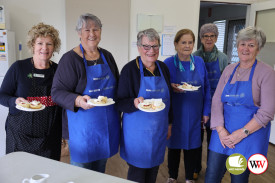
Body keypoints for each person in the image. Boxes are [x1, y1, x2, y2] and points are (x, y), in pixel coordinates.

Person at [51, 13, 120, 173]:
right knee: (81, 174)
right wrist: (78, 100)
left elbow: (117, 87)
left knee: (99, 171)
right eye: (87, 29)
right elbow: (56, 92)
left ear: (101, 32)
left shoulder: (107, 56)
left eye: (96, 29)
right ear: (78, 33)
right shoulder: (70, 59)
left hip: (106, 127)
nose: (92, 34)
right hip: (82, 130)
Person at [205, 26, 275, 183]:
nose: (246, 49)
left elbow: (267, 112)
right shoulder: (229, 69)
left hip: (247, 136)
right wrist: (221, 129)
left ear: (258, 48)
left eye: (251, 45)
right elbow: (217, 100)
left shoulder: (267, 73)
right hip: (222, 133)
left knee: (238, 179)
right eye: (242, 44)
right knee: (211, 177)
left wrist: (241, 133)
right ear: (237, 46)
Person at [117, 28, 173, 183]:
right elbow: (120, 102)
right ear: (139, 47)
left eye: (155, 46)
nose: (151, 51)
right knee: (138, 174)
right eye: (146, 46)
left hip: (158, 130)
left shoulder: (164, 69)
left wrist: (169, 124)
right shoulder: (129, 70)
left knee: (154, 169)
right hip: (137, 134)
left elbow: (170, 101)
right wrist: (133, 102)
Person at [0, 22, 62, 160]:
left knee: (49, 174)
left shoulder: (59, 70)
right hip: (19, 136)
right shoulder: (19, 68)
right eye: (40, 43)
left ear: (54, 47)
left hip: (49, 137)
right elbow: (2, 95)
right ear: (33, 45)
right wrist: (14, 101)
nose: (44, 48)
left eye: (49, 44)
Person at [164, 29, 211, 183]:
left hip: (195, 113)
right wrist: (170, 86)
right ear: (176, 44)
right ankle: (172, 176)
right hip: (175, 113)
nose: (187, 45)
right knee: (174, 147)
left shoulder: (198, 62)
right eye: (183, 42)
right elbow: (162, 88)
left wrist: (206, 111)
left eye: (190, 42)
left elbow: (207, 88)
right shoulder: (168, 63)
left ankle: (190, 178)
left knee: (193, 146)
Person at [193, 23, 229, 178]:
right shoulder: (194, 56)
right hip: (197, 102)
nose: (209, 39)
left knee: (213, 139)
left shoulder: (223, 58)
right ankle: (195, 168)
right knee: (197, 139)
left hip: (216, 104)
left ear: (216, 38)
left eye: (212, 36)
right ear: (201, 39)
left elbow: (225, 82)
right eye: (205, 36)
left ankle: (211, 169)